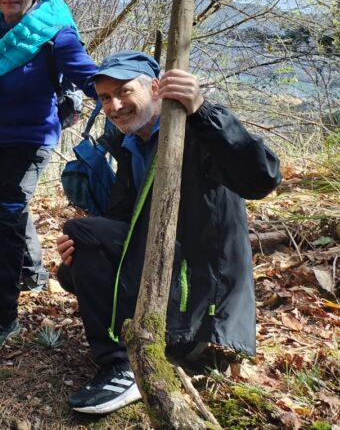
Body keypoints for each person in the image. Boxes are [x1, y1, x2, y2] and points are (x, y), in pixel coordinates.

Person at [56, 51, 282, 415]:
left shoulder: (198, 129)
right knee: (77, 254)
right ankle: (125, 355)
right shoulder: (130, 146)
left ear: (157, 89)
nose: (114, 105)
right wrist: (77, 253)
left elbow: (263, 177)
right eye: (105, 98)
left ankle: (124, 366)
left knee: (83, 234)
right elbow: (128, 225)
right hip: (164, 282)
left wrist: (203, 110)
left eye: (124, 91)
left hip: (202, 306)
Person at [0, 0, 98, 355]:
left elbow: (85, 72)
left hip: (31, 139)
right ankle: (33, 272)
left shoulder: (52, 29)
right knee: (9, 208)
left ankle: (2, 316)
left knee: (4, 220)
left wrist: (135, 90)